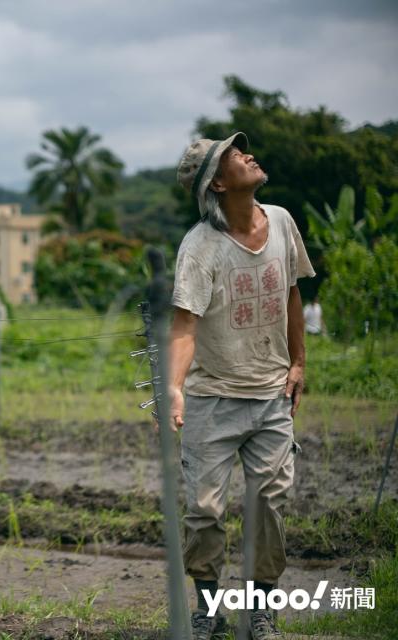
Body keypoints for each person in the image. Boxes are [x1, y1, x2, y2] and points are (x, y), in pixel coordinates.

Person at [171, 132, 315, 640]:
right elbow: (185, 325)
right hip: (213, 401)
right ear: (216, 182)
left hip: (272, 396)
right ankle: (210, 609)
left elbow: (292, 292)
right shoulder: (200, 247)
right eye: (235, 156)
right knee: (204, 512)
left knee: (267, 507)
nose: (249, 156)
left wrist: (298, 363)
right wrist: (174, 386)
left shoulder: (280, 222)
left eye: (244, 150)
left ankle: (260, 610)